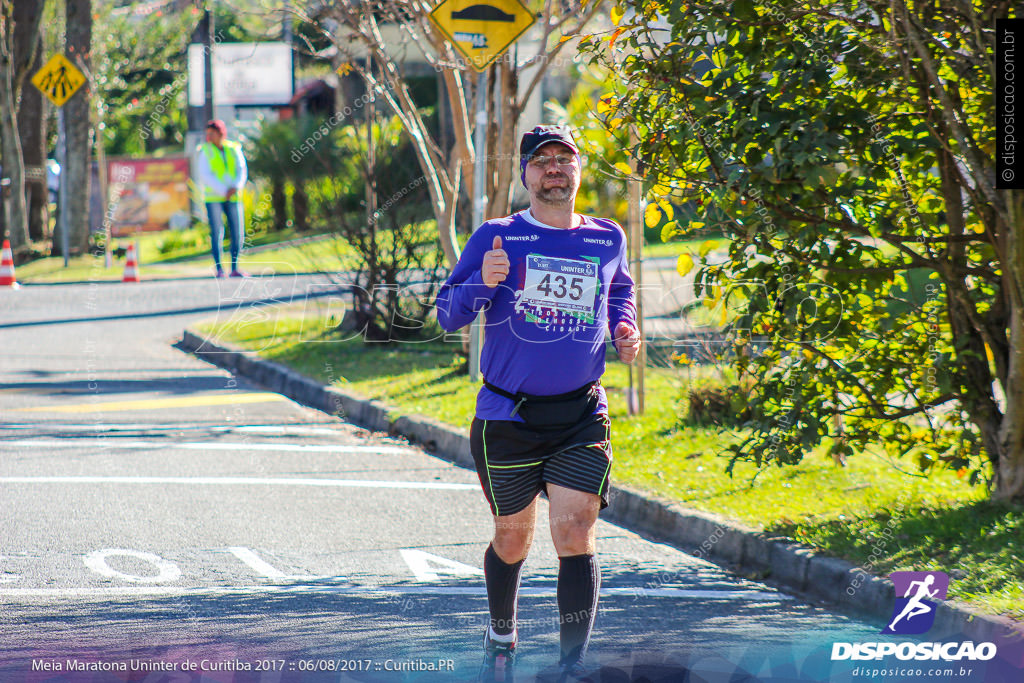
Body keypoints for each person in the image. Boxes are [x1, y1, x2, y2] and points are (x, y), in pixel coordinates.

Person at [435, 124, 641, 682]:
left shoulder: (606, 238)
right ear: (525, 173)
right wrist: (483, 280)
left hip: (580, 414)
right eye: (542, 159)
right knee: (513, 535)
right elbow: (447, 313)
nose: (554, 167)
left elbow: (618, 290)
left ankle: (572, 665)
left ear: (578, 170)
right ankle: (502, 631)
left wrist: (624, 326)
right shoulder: (497, 236)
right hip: (508, 415)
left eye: (565, 159)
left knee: (575, 531)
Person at [195, 119, 247, 278]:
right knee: (217, 231)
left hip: (233, 196)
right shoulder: (206, 151)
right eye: (207, 134)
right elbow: (205, 174)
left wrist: (236, 187)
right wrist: (224, 190)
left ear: (220, 133)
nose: (209, 137)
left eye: (212, 133)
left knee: (237, 232)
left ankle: (235, 267)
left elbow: (241, 170)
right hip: (214, 198)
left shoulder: (233, 148)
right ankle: (219, 268)